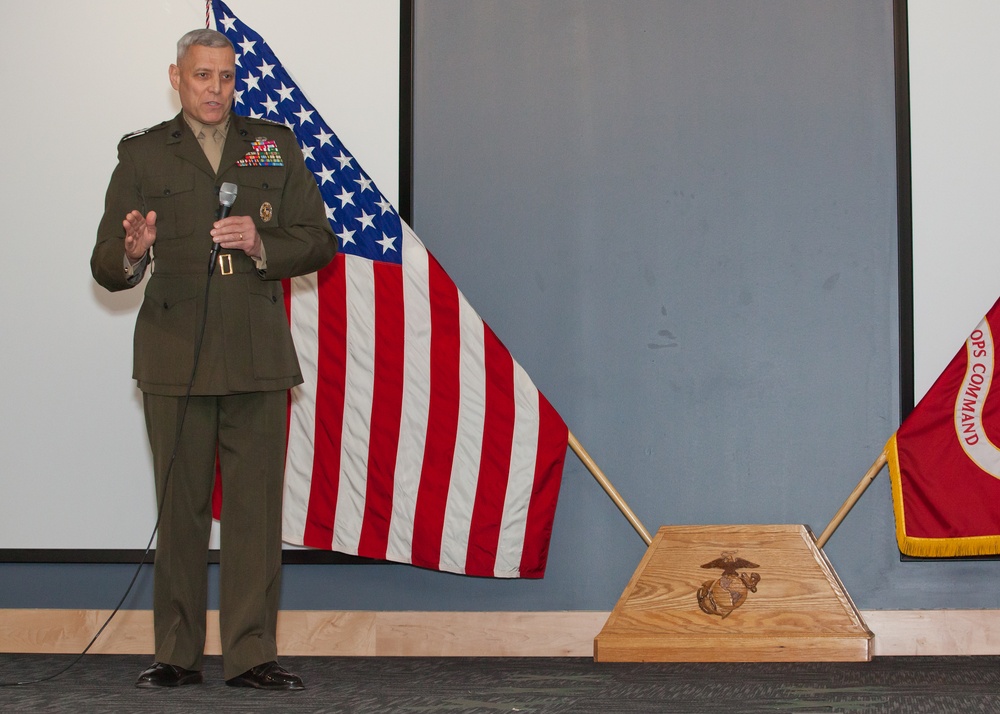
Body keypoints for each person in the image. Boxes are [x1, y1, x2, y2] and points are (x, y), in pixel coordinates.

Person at [91, 28, 337, 690]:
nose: (216, 90)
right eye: (203, 76)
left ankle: (253, 656)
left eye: (226, 77)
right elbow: (107, 264)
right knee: (181, 511)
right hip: (175, 356)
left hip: (256, 356)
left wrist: (263, 245)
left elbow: (319, 239)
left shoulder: (272, 145)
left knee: (255, 515)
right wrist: (134, 251)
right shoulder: (144, 155)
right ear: (177, 78)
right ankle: (176, 653)